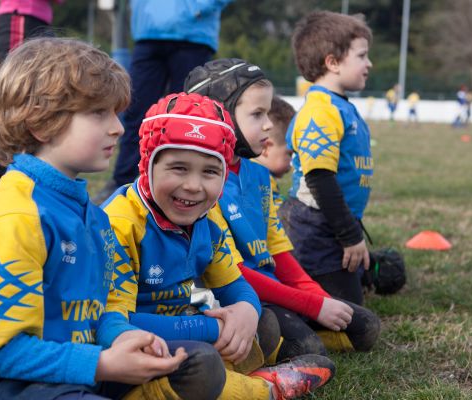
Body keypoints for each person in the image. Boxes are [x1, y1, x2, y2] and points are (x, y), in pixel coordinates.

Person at [0, 37, 234, 400]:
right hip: (3, 384)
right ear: (41, 122)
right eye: (99, 113)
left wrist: (123, 337)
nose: (118, 127)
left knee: (197, 362)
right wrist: (104, 365)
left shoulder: (94, 218)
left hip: (83, 369)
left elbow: (106, 310)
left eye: (115, 112)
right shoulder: (12, 218)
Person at [103, 92, 336, 400]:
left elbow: (237, 287)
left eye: (210, 172)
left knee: (263, 323)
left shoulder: (208, 217)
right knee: (202, 364)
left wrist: (246, 311)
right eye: (178, 168)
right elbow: (112, 323)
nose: (193, 185)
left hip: (184, 329)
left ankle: (224, 380)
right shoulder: (120, 223)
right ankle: (265, 389)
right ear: (148, 164)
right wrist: (210, 329)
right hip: (129, 350)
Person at [184, 57, 380, 358]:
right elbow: (233, 275)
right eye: (257, 114)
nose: (268, 124)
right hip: (237, 296)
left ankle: (298, 330)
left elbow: (278, 251)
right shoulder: (203, 185)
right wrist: (312, 306)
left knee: (365, 325)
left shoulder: (260, 175)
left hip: (274, 290)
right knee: (306, 346)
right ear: (218, 115)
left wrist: (317, 297)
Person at [278, 10, 376, 307]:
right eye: (361, 56)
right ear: (332, 62)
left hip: (334, 223)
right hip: (314, 228)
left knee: (363, 283)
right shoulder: (321, 110)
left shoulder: (339, 105)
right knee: (352, 317)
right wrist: (349, 236)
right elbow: (319, 178)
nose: (369, 64)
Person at [93, 0, 233, 204]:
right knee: (134, 113)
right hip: (147, 32)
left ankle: (183, 188)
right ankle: (123, 184)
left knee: (190, 118)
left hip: (193, 34)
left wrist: (196, 7)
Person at [0, 0, 63, 198]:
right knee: (14, 97)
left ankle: (25, 177)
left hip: (36, 19)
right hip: (20, 16)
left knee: (38, 99)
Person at [254, 95, 296, 211]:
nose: (292, 162)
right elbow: (278, 215)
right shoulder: (260, 178)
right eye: (289, 154)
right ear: (266, 148)